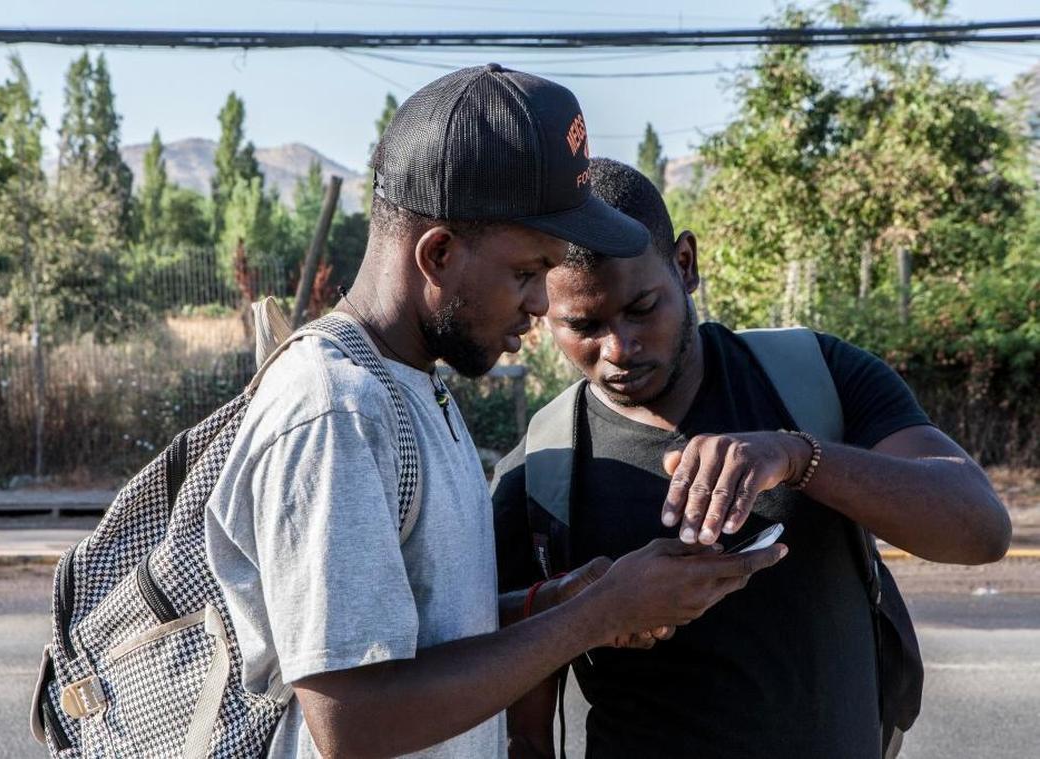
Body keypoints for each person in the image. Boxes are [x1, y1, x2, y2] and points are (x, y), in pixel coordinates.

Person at [204, 66, 786, 759]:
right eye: (527, 271)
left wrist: (564, 603)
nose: (542, 305)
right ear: (439, 252)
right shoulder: (336, 408)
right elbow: (353, 722)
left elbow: (420, 641)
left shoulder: (415, 387)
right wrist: (598, 614)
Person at [492, 157, 1013, 759]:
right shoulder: (540, 468)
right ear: (541, 312)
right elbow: (522, 729)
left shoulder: (816, 375)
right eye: (583, 325)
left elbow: (981, 530)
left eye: (641, 309)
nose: (619, 348)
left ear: (684, 265)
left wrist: (798, 456)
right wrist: (584, 611)